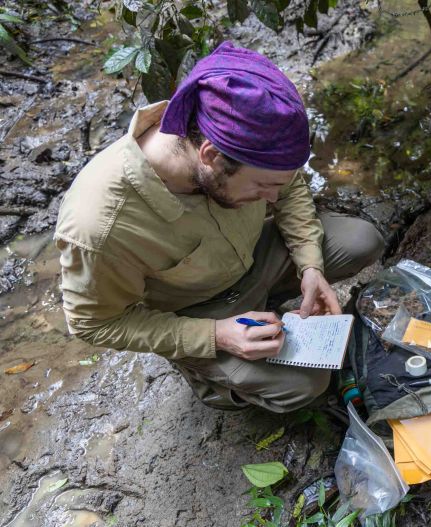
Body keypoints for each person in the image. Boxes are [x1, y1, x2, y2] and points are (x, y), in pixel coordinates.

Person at [54, 42, 384, 413]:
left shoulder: (245, 149)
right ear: (210, 156)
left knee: (361, 240)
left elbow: (288, 188)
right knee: (304, 386)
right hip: (198, 309)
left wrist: (310, 265)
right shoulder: (99, 226)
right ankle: (207, 378)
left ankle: (267, 305)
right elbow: (96, 324)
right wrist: (215, 336)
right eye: (262, 187)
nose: (272, 197)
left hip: (253, 258)